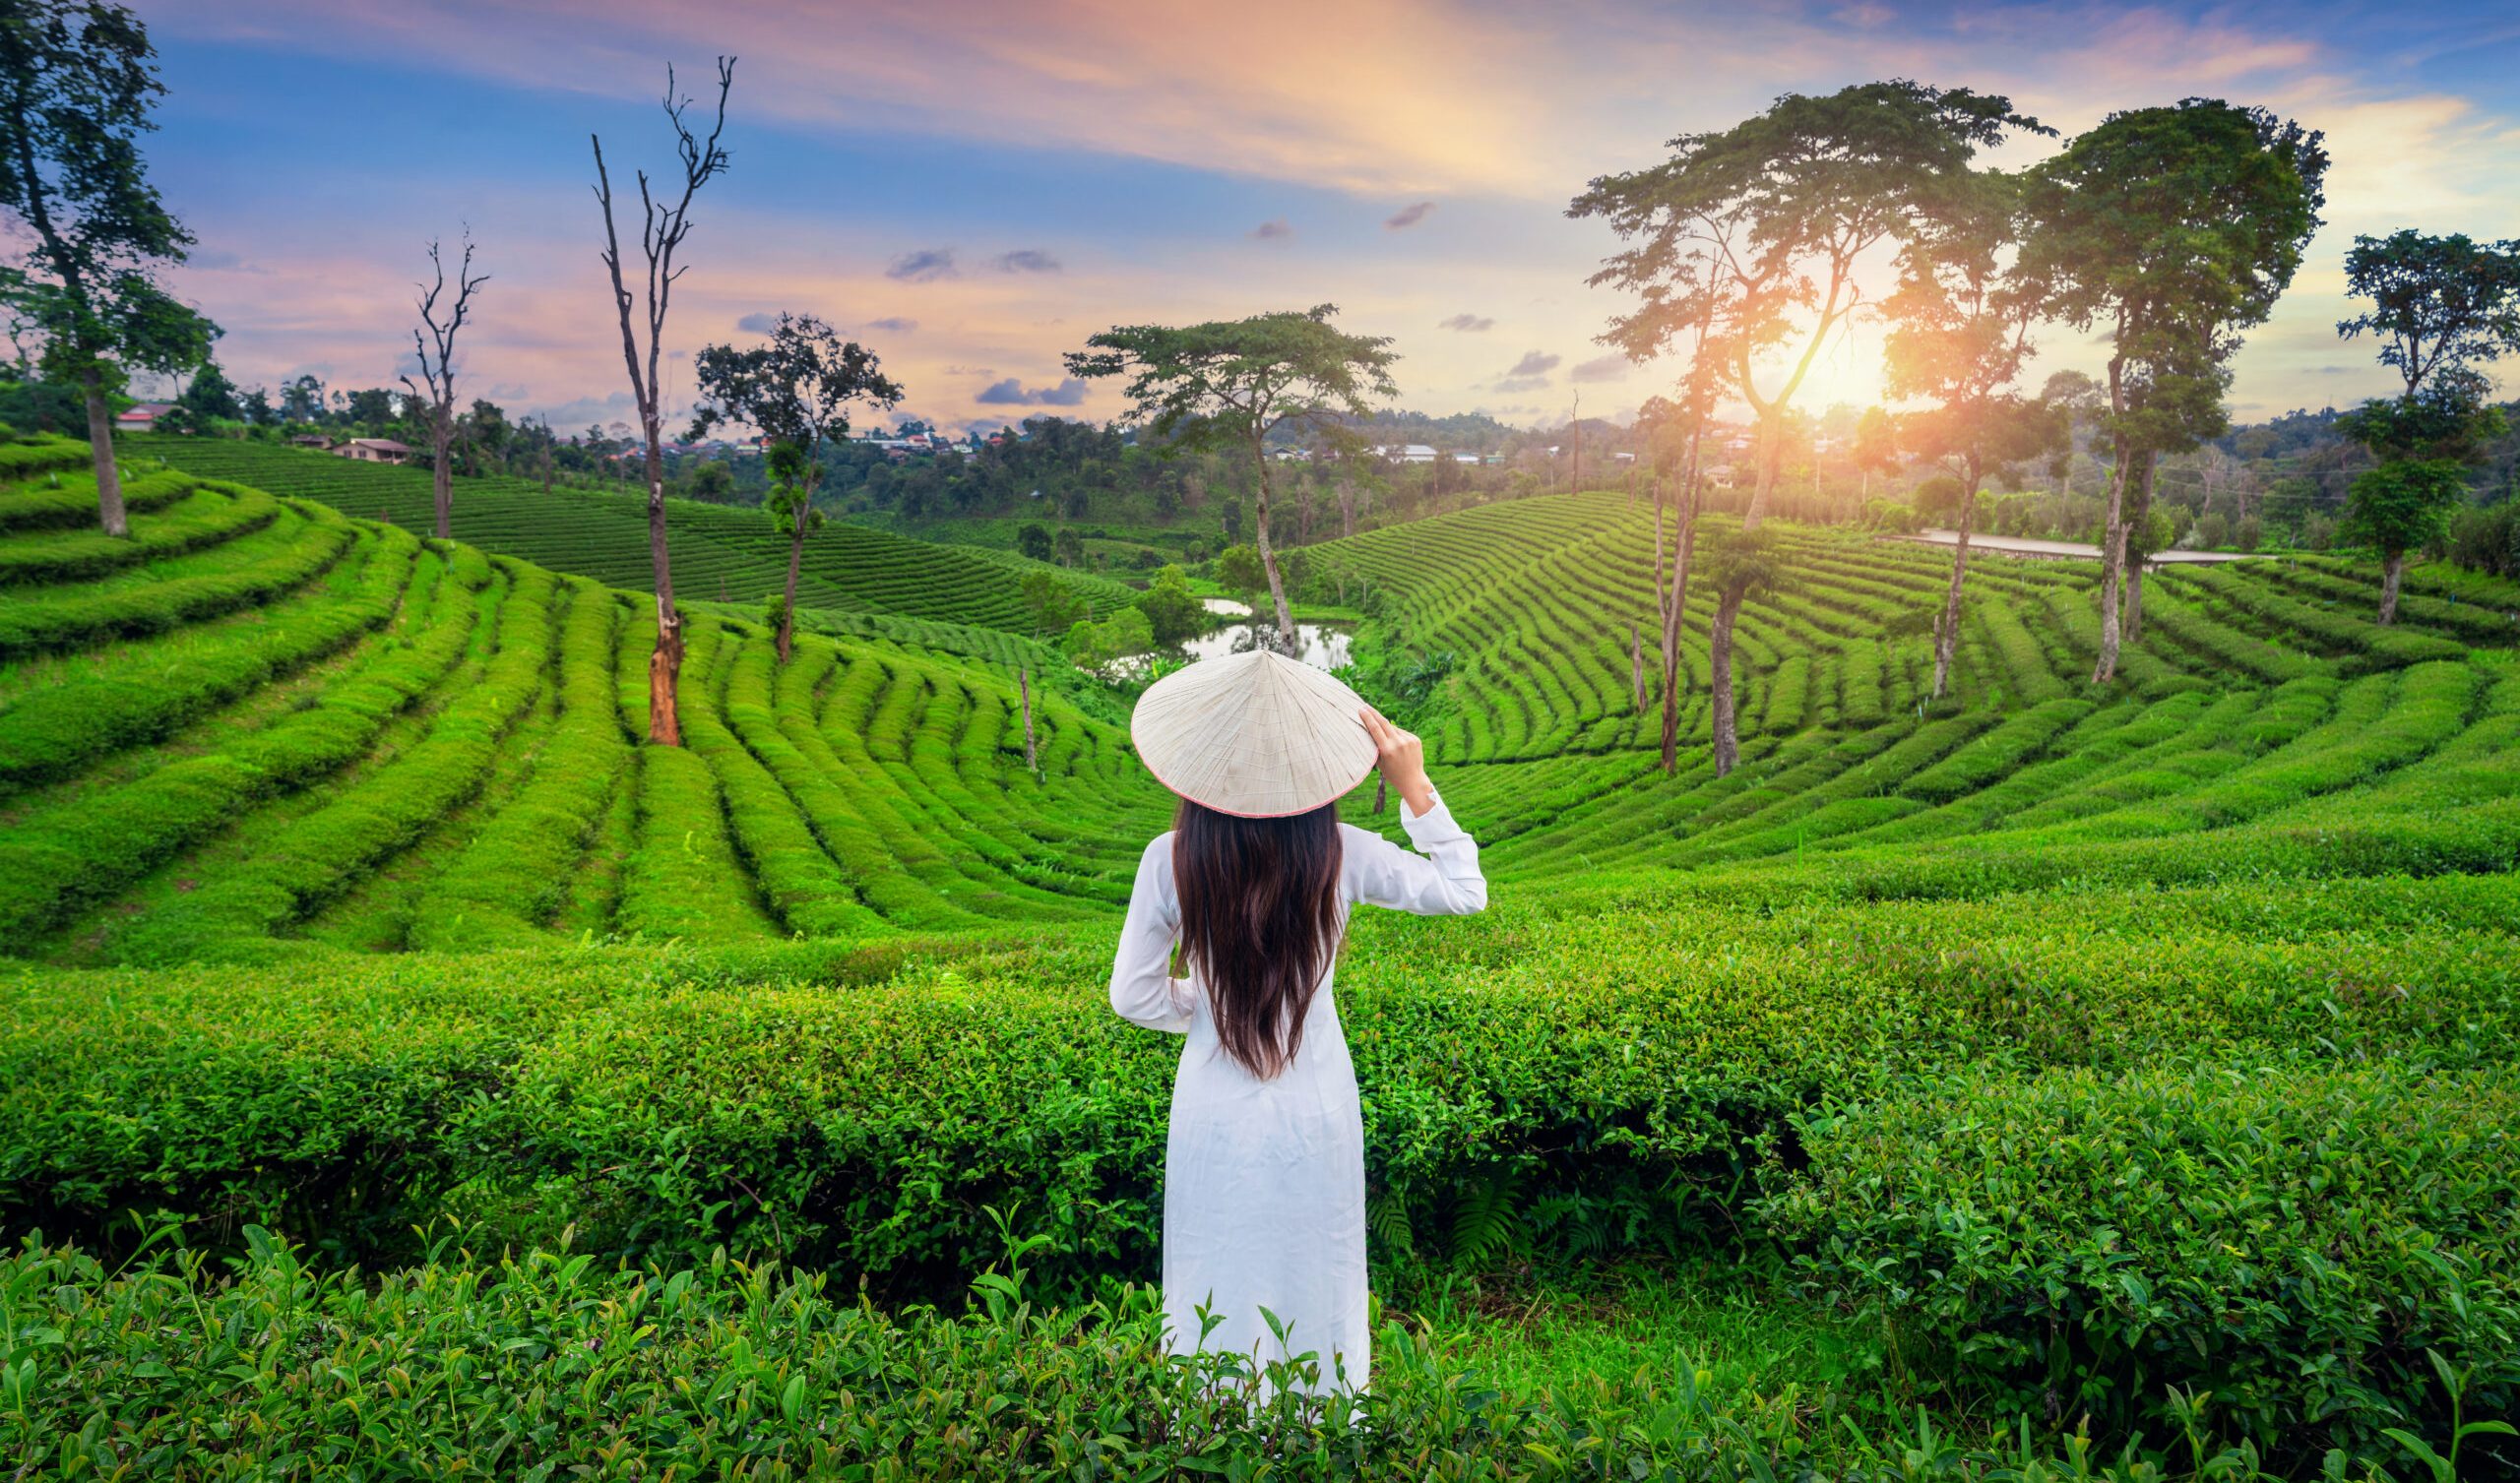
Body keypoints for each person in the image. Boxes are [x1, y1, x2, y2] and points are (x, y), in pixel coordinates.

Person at [1109, 648, 1487, 1398]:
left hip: (1211, 1114)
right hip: (1316, 1108)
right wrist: (1415, 788)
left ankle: (1214, 1428)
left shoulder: (1170, 858)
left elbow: (1133, 995)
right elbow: (1462, 889)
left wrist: (1209, 1007)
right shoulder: (1340, 854)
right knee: (1317, 1265)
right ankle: (1323, 1431)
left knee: (1214, 1268)